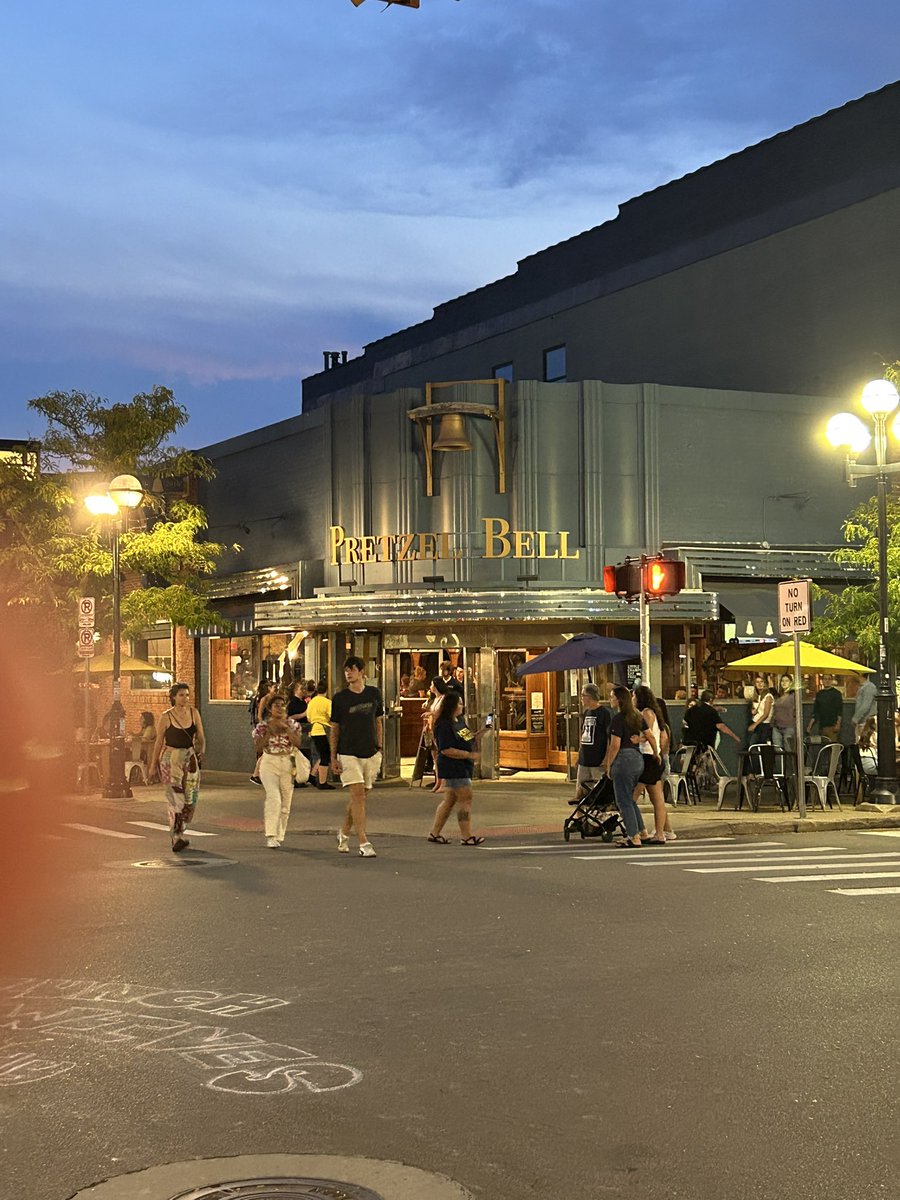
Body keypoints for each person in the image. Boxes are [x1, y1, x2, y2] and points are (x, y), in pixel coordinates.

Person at [329, 656, 384, 858]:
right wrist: (333, 757)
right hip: (347, 751)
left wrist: (380, 746)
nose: (348, 673)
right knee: (358, 795)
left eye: (352, 669)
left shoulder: (374, 694)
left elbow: (378, 721)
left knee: (360, 797)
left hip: (370, 751)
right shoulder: (340, 699)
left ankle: (344, 832)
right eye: (346, 670)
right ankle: (363, 841)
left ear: (361, 671)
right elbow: (334, 729)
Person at [149, 682, 206, 854]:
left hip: (189, 757)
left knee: (191, 797)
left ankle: (181, 831)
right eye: (181, 695)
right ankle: (176, 836)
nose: (185, 698)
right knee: (175, 798)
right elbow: (159, 742)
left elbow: (201, 735)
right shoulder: (166, 717)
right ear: (173, 697)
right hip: (170, 758)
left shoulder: (194, 713)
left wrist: (202, 749)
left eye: (187, 695)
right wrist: (153, 765)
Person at [427, 689, 486, 845]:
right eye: (459, 703)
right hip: (454, 767)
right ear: (452, 705)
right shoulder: (444, 725)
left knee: (450, 800)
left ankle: (434, 833)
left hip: (462, 766)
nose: (462, 706)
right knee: (465, 799)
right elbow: (446, 749)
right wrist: (469, 755)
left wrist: (486, 729)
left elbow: (470, 738)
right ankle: (466, 836)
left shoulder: (459, 721)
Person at [602, 685, 656, 848]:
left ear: (619, 700)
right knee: (630, 799)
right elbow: (650, 736)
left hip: (623, 760)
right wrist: (656, 753)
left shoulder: (618, 719)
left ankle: (633, 836)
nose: (610, 700)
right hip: (637, 758)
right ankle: (642, 831)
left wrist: (609, 765)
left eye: (612, 697)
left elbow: (615, 745)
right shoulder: (637, 716)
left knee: (623, 800)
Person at [253, 694, 308, 848]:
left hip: (287, 762)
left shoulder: (293, 724)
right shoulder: (262, 726)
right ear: (270, 709)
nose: (280, 708)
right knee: (273, 797)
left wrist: (287, 730)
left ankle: (279, 834)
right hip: (269, 761)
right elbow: (258, 747)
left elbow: (297, 743)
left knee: (285, 802)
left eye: (282, 705)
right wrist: (269, 732)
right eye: (276, 705)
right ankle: (270, 834)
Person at [633, 683, 673, 845]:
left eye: (634, 696)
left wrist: (637, 739)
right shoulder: (654, 713)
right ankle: (660, 833)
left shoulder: (647, 713)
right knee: (657, 798)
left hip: (648, 757)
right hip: (654, 758)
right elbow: (662, 735)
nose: (633, 699)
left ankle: (638, 831)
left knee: (632, 798)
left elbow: (648, 735)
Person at [568, 683, 610, 806]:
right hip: (585, 758)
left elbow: (609, 738)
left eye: (583, 695)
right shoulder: (586, 713)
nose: (581, 698)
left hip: (598, 758)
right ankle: (580, 816)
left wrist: (607, 758)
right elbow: (583, 735)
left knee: (598, 789)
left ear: (590, 697)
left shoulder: (604, 713)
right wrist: (578, 755)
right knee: (581, 787)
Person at [306, 680, 335, 790]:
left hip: (313, 729)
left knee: (322, 754)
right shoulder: (327, 702)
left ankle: (313, 775)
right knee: (325, 756)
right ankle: (322, 782)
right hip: (323, 730)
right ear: (327, 691)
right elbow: (332, 716)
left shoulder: (312, 702)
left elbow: (308, 717)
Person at [249, 679, 278, 785]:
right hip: (265, 728)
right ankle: (256, 774)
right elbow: (259, 715)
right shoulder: (264, 699)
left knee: (269, 751)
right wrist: (262, 727)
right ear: (269, 688)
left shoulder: (272, 699)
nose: (276, 689)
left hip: (270, 726)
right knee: (267, 751)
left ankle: (259, 774)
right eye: (274, 688)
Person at [807, 674, 843, 744]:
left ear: (832, 680)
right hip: (822, 726)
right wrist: (810, 725)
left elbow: (839, 710)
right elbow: (816, 711)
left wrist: (838, 724)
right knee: (824, 747)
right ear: (822, 681)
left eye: (829, 679)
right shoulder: (819, 694)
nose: (827, 681)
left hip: (833, 725)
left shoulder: (836, 693)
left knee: (834, 748)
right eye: (825, 679)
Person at [771, 677, 797, 753]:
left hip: (788, 727)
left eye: (786, 681)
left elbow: (797, 710)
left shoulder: (794, 696)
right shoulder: (778, 696)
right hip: (776, 727)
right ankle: (780, 765)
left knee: (789, 751)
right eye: (782, 681)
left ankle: (790, 765)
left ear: (791, 683)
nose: (784, 683)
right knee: (777, 751)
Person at [747, 675, 774, 745]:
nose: (759, 684)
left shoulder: (768, 696)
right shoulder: (756, 696)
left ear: (765, 683)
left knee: (762, 745)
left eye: (761, 682)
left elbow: (766, 714)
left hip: (764, 725)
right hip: (755, 721)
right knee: (752, 745)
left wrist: (754, 725)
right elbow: (754, 710)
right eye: (757, 682)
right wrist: (753, 711)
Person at [852, 673, 877, 738]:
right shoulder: (863, 687)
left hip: (866, 722)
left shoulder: (869, 687)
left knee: (865, 742)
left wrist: (856, 719)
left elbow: (865, 705)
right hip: (863, 722)